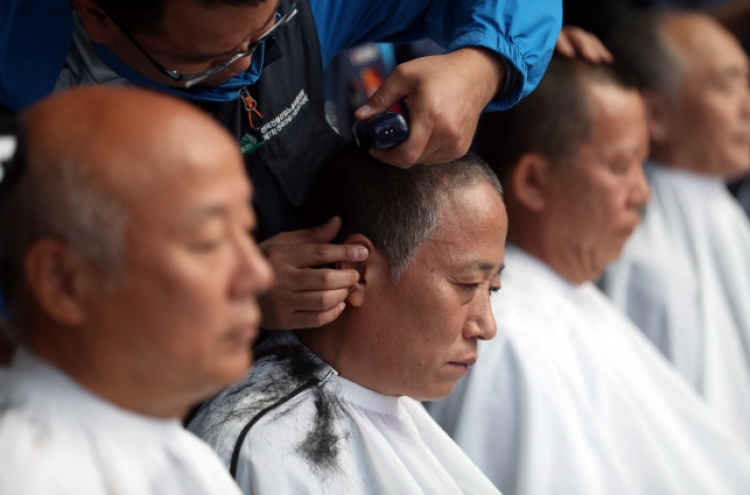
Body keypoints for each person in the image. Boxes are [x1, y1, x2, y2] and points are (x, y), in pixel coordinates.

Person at [0, 0, 560, 333]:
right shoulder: (29, 92)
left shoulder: (303, 9)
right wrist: (218, 297)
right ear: (97, 16)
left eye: (267, 29)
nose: (250, 64)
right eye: (210, 62)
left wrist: (483, 63)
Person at [427, 57, 750, 495]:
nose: (642, 192)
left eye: (643, 165)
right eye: (620, 167)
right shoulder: (508, 340)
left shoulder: (570, 296)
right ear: (534, 181)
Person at [188, 142, 508, 494]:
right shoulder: (261, 449)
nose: (486, 326)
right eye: (467, 284)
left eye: (490, 289)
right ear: (356, 269)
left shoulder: (396, 404)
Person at [0, 86, 273, 494]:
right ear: (63, 282)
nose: (258, 274)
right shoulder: (30, 478)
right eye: (209, 241)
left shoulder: (175, 451)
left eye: (247, 231)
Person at [601, 10, 750, 447]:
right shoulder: (624, 240)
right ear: (655, 114)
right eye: (726, 84)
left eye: (747, 82)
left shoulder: (731, 218)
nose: (747, 105)